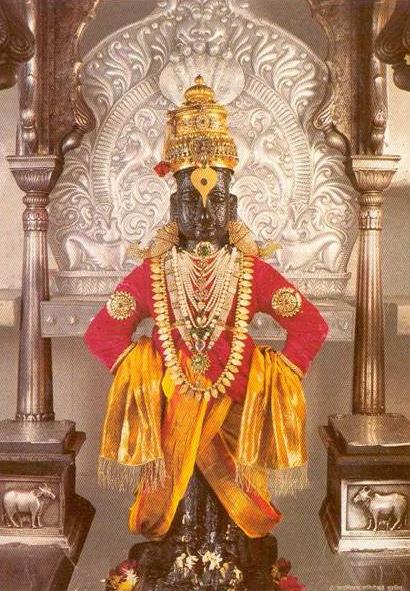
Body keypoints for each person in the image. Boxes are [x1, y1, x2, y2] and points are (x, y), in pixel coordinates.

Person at [84, 75, 328, 549]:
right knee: (177, 505)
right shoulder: (154, 274)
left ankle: (230, 551)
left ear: (231, 205)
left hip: (235, 404)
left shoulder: (252, 272)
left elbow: (310, 327)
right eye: (189, 200)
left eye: (215, 199)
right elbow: (102, 335)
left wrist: (270, 377)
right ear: (173, 206)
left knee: (232, 515)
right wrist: (146, 371)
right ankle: (179, 550)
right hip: (171, 406)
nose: (201, 210)